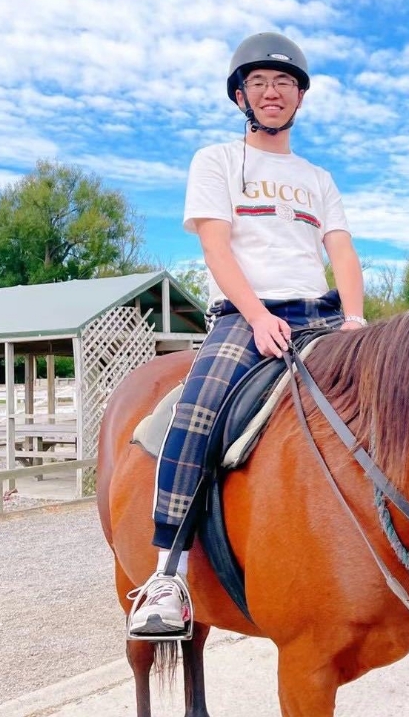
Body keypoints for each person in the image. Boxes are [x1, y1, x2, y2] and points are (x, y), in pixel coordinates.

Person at [127, 33, 366, 638]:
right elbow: (214, 245)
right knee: (199, 409)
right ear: (241, 95)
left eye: (283, 82)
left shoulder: (317, 177)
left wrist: (358, 320)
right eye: (258, 82)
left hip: (325, 315)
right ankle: (166, 575)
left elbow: (341, 249)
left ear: (299, 98)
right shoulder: (215, 161)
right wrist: (257, 316)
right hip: (245, 315)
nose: (271, 91)